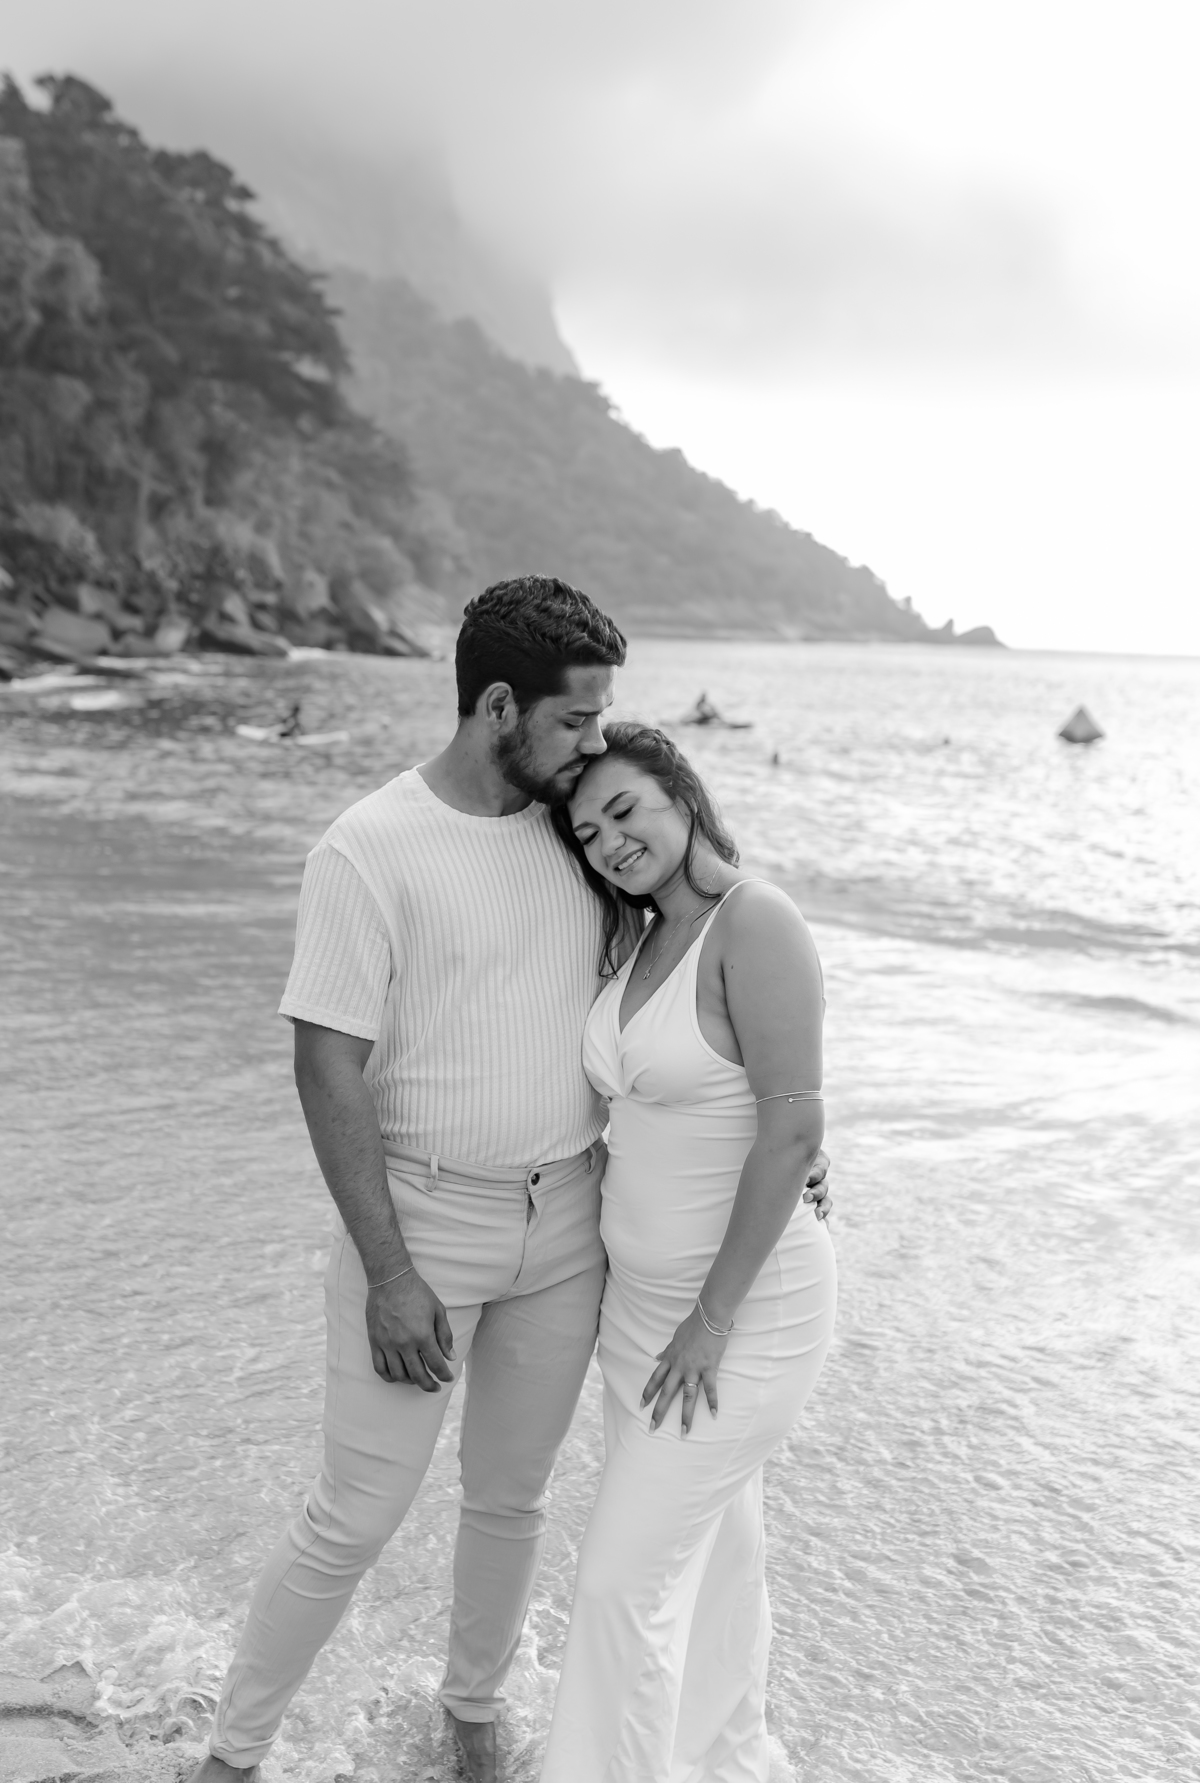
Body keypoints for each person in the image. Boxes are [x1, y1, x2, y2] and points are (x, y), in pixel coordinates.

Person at [188, 578, 831, 1783]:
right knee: (354, 1517)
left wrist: (790, 1127)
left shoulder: (572, 837)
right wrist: (388, 1268)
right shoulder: (368, 848)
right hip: (421, 1223)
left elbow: (692, 996)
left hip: (571, 1226)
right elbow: (325, 1060)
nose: (599, 749)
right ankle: (230, 1757)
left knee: (510, 1500)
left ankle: (474, 1721)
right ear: (497, 706)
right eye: (579, 721)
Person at [541, 723, 837, 1781]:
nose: (609, 842)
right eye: (587, 832)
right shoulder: (637, 940)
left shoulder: (755, 921)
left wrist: (708, 1325)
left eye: (625, 812)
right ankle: (722, 1760)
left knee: (622, 1583)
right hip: (641, 1314)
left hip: (736, 1320)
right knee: (713, 1570)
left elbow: (792, 1128)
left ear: (680, 792)